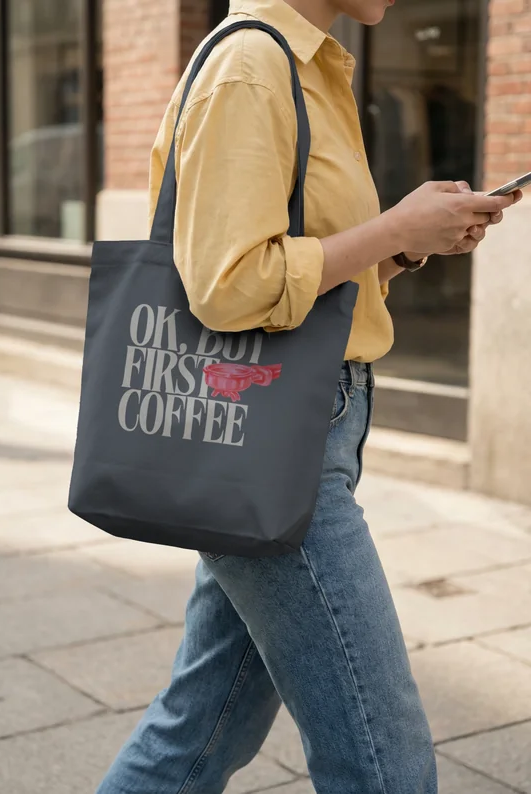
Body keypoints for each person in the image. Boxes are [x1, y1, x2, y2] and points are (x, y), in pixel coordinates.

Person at [96, 1, 520, 792]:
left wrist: (408, 246)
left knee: (198, 731)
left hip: (292, 429)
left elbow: (302, 275)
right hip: (271, 439)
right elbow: (230, 288)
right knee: (383, 761)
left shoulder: (309, 64)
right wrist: (392, 226)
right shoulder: (251, 65)